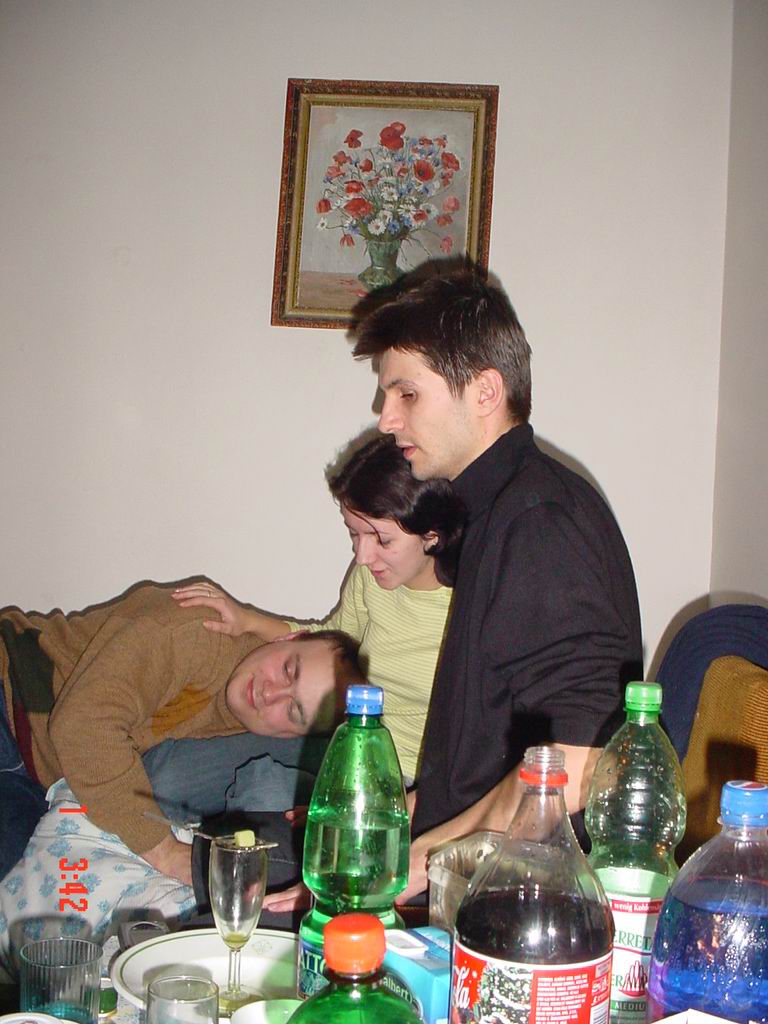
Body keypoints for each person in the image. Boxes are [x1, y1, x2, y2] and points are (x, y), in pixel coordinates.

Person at [351, 268, 643, 901]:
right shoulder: (497, 512)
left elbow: (580, 762)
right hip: (479, 878)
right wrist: (389, 835)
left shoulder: (538, 521)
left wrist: (414, 865)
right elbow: (482, 754)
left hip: (520, 897)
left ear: (485, 391)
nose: (386, 419)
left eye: (407, 394)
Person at [0, 581, 361, 884]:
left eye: (293, 710)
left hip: (34, 778)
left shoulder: (249, 726)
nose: (270, 693)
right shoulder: (198, 631)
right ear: (287, 637)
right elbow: (81, 725)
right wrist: (166, 853)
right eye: (288, 670)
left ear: (289, 736)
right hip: (10, 692)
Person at [172, 433, 465, 784]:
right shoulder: (371, 577)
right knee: (171, 771)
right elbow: (330, 638)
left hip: (404, 778)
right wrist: (246, 620)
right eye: (354, 534)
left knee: (262, 789)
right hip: (343, 740)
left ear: (432, 536)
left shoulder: (468, 607)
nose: (362, 556)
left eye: (381, 539)